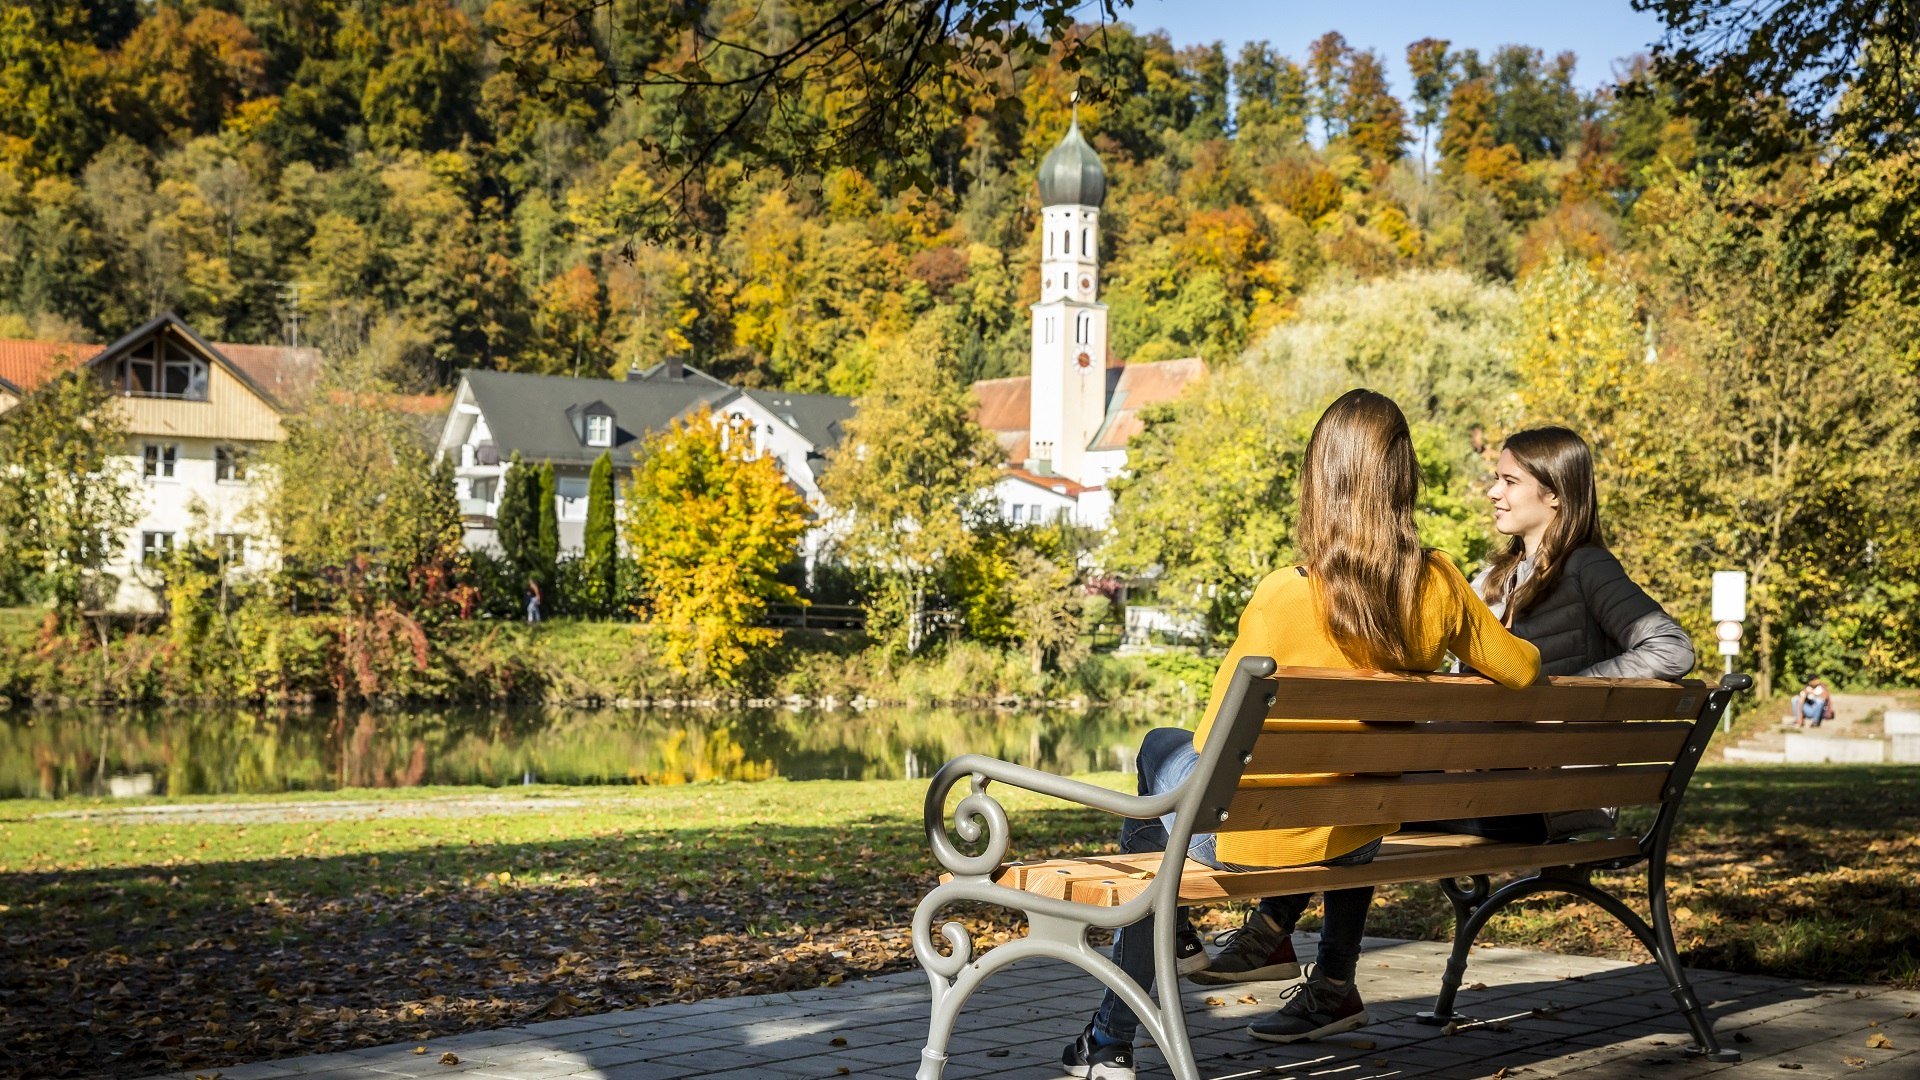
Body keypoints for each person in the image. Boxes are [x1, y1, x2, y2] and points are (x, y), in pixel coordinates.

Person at [1062, 390, 1542, 1080]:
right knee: (1352, 789)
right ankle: (1307, 973)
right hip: (1359, 836)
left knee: (1159, 753)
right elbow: (1523, 668)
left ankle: (1116, 1031)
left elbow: (1212, 741)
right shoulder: (1439, 583)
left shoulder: (1284, 594)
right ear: (1403, 477)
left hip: (1247, 846)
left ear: (1321, 481)